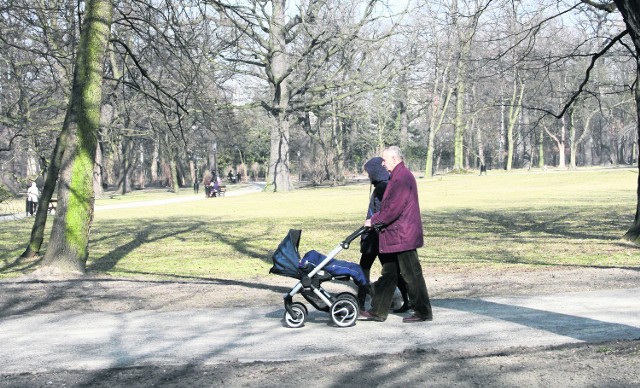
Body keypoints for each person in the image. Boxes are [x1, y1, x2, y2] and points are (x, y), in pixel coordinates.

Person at [360, 146, 433, 323]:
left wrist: (374, 221)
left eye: (384, 160)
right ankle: (378, 311)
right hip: (395, 235)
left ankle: (423, 312)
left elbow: (393, 209)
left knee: (412, 275)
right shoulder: (398, 176)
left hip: (403, 236)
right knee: (389, 274)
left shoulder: (401, 178)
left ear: (394, 158)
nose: (382, 164)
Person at [358, 156, 410, 312]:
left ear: (375, 172)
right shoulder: (383, 185)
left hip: (377, 237)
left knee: (365, 269)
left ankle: (361, 301)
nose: (368, 176)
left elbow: (385, 212)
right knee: (391, 269)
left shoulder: (383, 187)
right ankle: (408, 300)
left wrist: (371, 223)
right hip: (376, 235)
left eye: (369, 173)